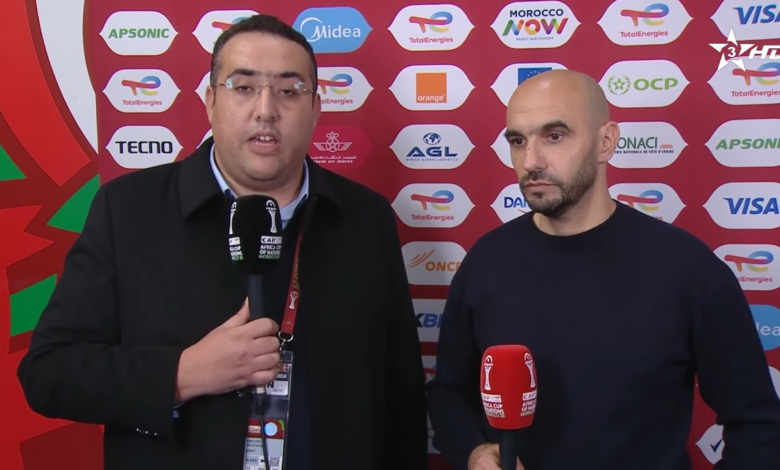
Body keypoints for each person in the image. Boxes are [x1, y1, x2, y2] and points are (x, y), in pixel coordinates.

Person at [17, 14, 428, 470]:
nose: (266, 109)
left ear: (315, 109)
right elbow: (49, 373)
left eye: (289, 90)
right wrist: (183, 374)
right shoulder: (128, 209)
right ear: (211, 101)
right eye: (244, 87)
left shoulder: (366, 217)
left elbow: (402, 395)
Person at [426, 69, 780, 470]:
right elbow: (449, 393)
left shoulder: (688, 268)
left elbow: (757, 424)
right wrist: (474, 451)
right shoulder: (486, 262)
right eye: (518, 141)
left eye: (554, 136)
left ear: (606, 142)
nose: (531, 161)